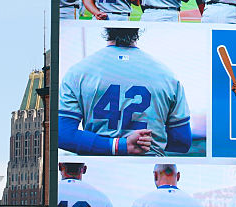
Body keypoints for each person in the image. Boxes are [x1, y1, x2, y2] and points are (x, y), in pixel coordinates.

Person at [58, 27, 191, 156]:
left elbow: (63, 135)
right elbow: (182, 141)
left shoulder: (78, 72)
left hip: (100, 163)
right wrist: (150, 141)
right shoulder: (167, 76)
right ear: (137, 29)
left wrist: (117, 145)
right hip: (148, 163)